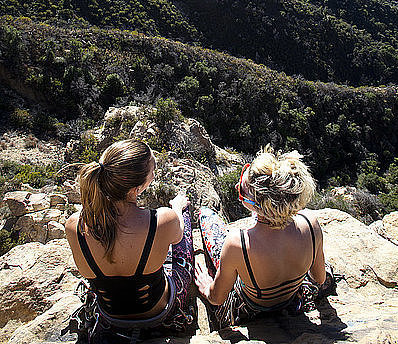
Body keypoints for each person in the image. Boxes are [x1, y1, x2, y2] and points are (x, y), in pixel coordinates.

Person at [65, 139, 194, 342]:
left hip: (110, 314)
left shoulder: (75, 225)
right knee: (183, 229)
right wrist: (177, 208)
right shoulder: (162, 219)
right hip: (157, 311)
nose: (153, 175)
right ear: (136, 188)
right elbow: (178, 237)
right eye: (152, 172)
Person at [195, 147, 334, 328]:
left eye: (242, 191)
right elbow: (320, 278)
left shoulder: (237, 243)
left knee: (206, 214)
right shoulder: (311, 224)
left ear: (259, 206)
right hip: (291, 297)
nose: (238, 187)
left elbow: (217, 298)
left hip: (252, 305)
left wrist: (207, 286)